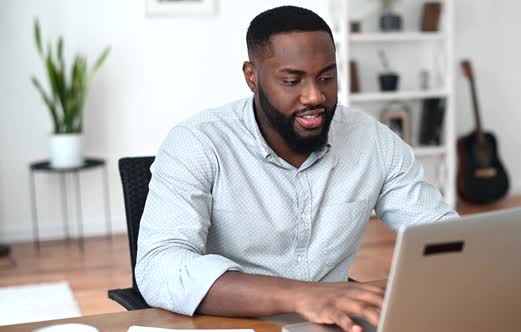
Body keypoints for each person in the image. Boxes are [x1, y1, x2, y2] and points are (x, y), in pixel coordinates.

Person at [136, 5, 457, 332]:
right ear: (252, 77)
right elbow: (159, 268)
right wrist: (302, 297)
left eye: (327, 78)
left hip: (331, 324)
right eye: (291, 80)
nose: (314, 96)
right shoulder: (197, 143)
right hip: (231, 324)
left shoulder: (374, 142)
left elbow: (445, 238)